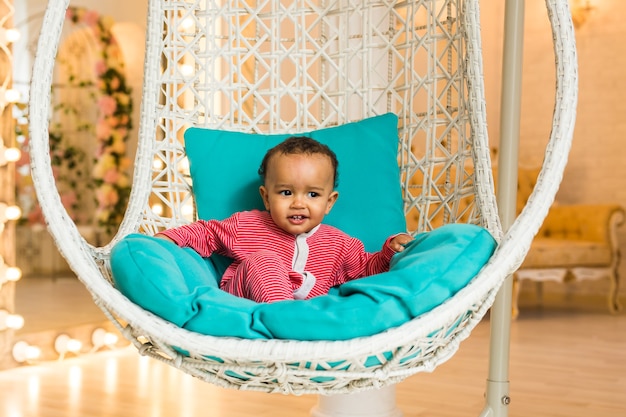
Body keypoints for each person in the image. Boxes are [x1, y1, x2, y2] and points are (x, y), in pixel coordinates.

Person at [156, 136, 413, 303]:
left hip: (303, 316)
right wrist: (168, 239)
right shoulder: (248, 225)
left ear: (329, 202)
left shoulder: (338, 245)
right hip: (245, 304)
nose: (298, 203)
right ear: (266, 198)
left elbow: (367, 268)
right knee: (265, 260)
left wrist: (390, 250)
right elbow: (207, 233)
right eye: (286, 192)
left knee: (334, 303)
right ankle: (283, 316)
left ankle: (294, 325)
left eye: (312, 194)